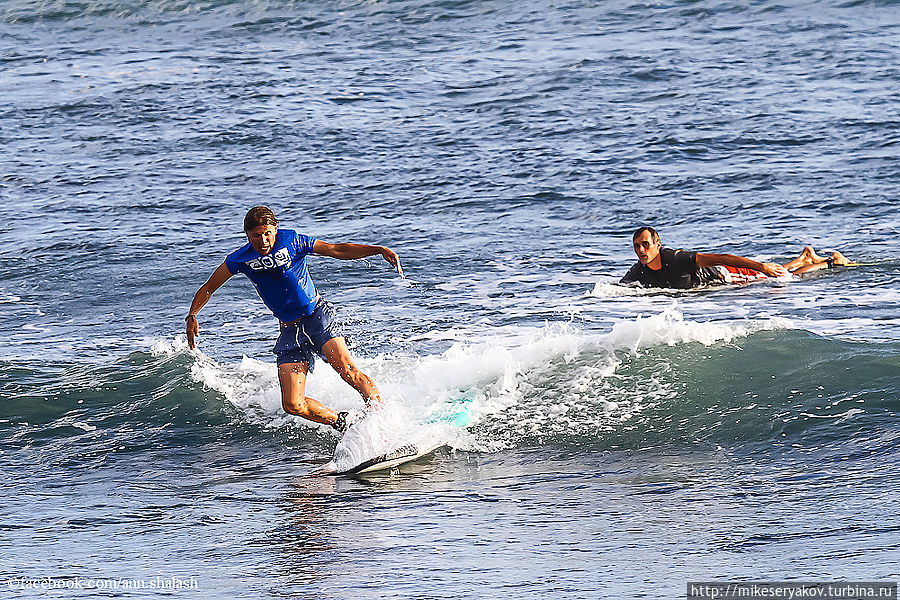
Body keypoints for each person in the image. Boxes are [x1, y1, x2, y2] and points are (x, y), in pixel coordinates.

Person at [186, 206, 403, 433]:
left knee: (348, 371)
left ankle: (384, 420)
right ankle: (344, 423)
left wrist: (377, 250)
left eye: (267, 233)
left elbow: (335, 250)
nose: (262, 240)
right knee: (292, 404)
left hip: (317, 317)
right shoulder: (240, 259)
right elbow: (209, 287)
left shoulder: (292, 241)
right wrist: (192, 315)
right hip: (290, 331)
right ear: (247, 236)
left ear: (275, 229)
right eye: (256, 236)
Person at [620, 226, 850, 289]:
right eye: (637, 246)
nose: (641, 250)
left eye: (645, 245)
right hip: (720, 283)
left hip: (727, 276)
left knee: (781, 278)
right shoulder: (639, 270)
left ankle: (831, 261)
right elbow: (618, 288)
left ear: (657, 245)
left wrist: (761, 266)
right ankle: (805, 256)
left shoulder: (679, 258)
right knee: (776, 272)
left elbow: (724, 257)